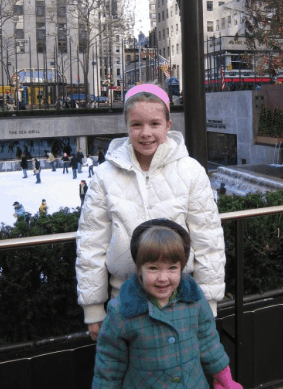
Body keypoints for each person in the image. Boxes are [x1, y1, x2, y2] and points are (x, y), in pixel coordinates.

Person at [76, 84, 225, 342]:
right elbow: (91, 243)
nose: (146, 133)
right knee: (127, 375)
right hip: (122, 300)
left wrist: (208, 302)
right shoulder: (104, 176)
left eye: (155, 124)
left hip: (181, 299)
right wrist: (93, 308)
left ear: (168, 125)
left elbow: (208, 240)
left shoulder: (191, 172)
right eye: (136, 125)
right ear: (127, 126)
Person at [92, 220, 242, 389]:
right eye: (153, 268)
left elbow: (208, 341)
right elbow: (110, 359)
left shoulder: (194, 300)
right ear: (139, 269)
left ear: (181, 268)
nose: (163, 278)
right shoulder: (122, 311)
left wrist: (222, 376)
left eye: (172, 268)